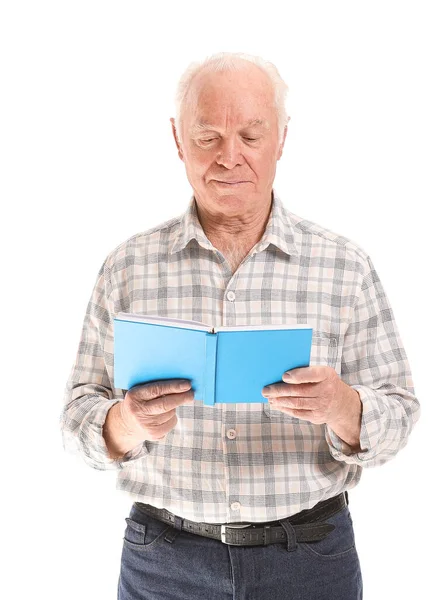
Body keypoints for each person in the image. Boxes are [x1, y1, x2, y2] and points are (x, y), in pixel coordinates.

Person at [60, 52, 421, 600]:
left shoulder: (344, 267)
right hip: (163, 565)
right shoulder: (126, 267)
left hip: (309, 562)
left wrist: (343, 406)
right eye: (209, 137)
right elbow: (76, 418)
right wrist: (127, 422)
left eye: (251, 136)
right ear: (179, 141)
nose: (231, 158)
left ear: (281, 139)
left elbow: (400, 410)